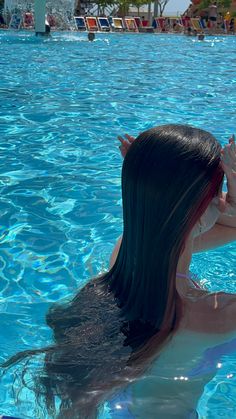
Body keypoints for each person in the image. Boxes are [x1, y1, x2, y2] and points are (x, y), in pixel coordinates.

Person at [1, 125, 236, 418]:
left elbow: (195, 221)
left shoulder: (119, 263)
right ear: (205, 210)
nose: (224, 201)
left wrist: (151, 180)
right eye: (220, 191)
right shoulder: (222, 313)